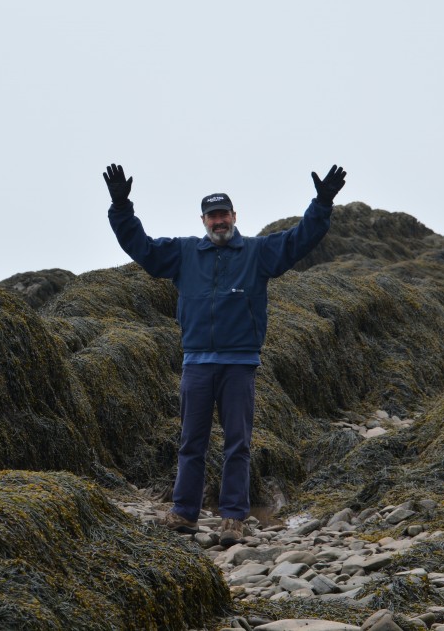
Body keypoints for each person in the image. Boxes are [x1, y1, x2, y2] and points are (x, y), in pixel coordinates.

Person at [103, 162, 347, 547]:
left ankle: (233, 518)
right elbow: (142, 248)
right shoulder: (184, 253)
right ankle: (184, 513)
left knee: (238, 443)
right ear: (203, 219)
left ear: (235, 216)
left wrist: (322, 202)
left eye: (224, 214)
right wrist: (121, 206)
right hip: (196, 363)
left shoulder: (258, 252)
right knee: (191, 442)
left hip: (239, 364)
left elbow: (301, 239)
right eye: (212, 216)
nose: (219, 221)